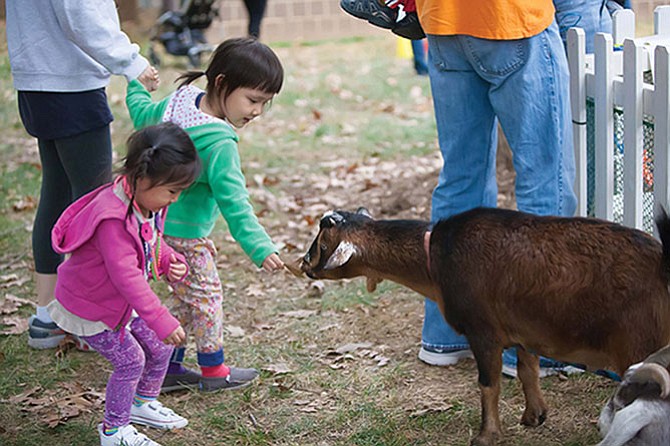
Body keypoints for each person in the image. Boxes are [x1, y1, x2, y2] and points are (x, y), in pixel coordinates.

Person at [415, 1, 578, 374]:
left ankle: (446, 335)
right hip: (510, 18)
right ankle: (536, 344)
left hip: (443, 23)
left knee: (460, 179)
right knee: (544, 179)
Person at [126, 37, 285, 392]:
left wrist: (134, 86)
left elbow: (141, 114)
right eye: (253, 100)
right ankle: (214, 371)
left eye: (266, 103)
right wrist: (260, 246)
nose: (257, 111)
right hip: (187, 238)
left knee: (185, 298)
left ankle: (167, 367)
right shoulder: (219, 143)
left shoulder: (178, 102)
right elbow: (235, 202)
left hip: (152, 228)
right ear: (221, 82)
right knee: (207, 298)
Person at [5, 0, 160, 350]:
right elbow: (82, 17)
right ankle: (90, 320)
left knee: (58, 193)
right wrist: (132, 61)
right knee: (99, 208)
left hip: (38, 80)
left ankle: (48, 315)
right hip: (70, 84)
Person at [49, 123, 201, 446]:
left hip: (117, 303)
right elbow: (126, 276)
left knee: (160, 348)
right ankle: (113, 430)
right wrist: (160, 317)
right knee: (131, 360)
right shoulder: (112, 218)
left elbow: (149, 242)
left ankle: (142, 404)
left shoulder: (144, 203)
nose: (175, 199)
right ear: (143, 178)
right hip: (91, 307)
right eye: (172, 191)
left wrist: (166, 259)